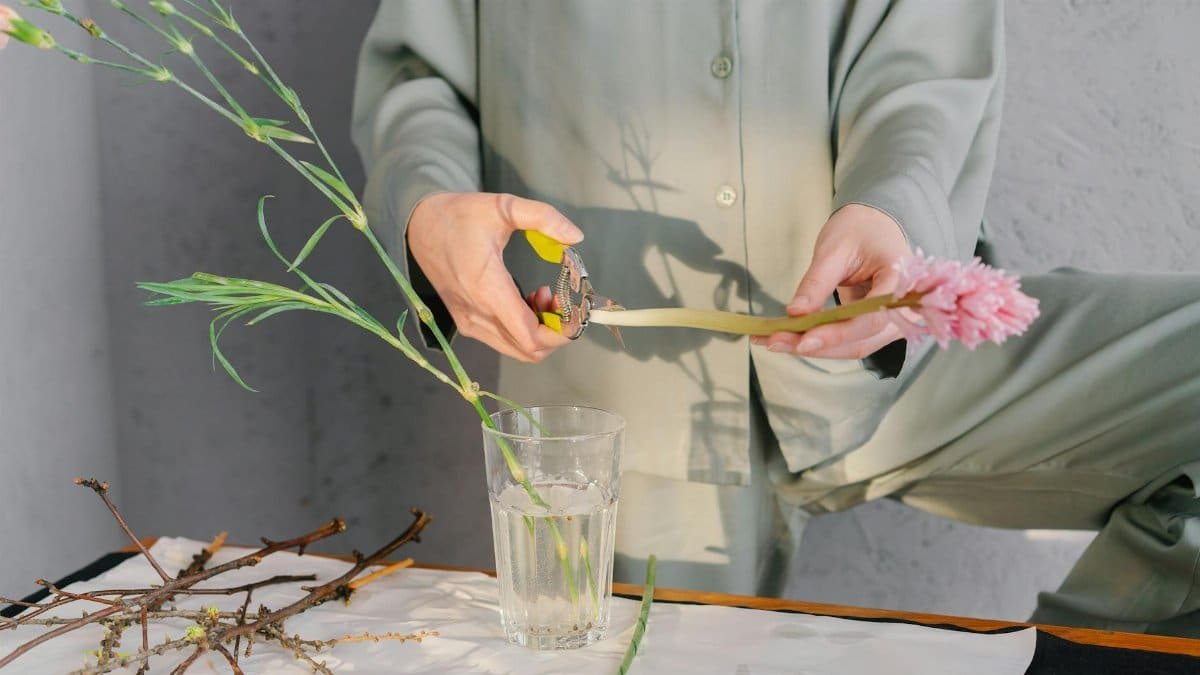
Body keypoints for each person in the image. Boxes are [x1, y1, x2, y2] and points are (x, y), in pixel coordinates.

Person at [352, 1, 1200, 635]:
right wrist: (427, 208)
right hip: (632, 404)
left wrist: (896, 214)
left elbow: (924, 59)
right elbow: (419, 73)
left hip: (886, 338)